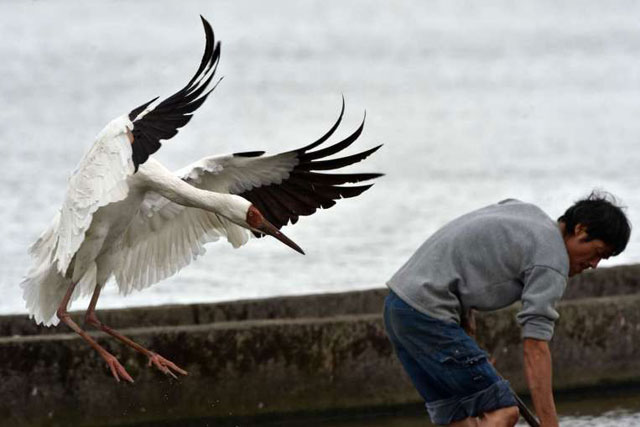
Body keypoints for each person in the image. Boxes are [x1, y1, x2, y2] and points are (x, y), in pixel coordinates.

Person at [384, 192, 631, 427]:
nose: (594, 265)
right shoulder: (552, 259)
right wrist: (550, 423)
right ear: (580, 229)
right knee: (502, 410)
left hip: (399, 306)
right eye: (597, 253)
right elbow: (535, 347)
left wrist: (465, 335)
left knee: (457, 416)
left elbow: (472, 255)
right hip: (429, 314)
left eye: (603, 260)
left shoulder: (525, 212)